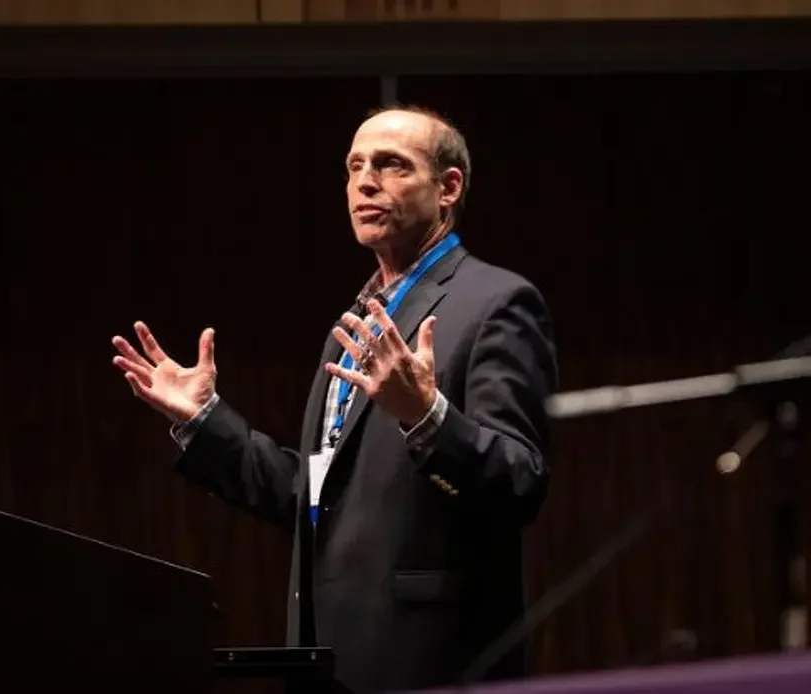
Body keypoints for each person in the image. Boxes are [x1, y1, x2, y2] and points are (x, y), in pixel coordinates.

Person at [111, 106, 558, 693]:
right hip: (326, 665)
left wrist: (427, 419)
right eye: (354, 167)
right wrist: (205, 421)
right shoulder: (354, 324)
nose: (365, 181)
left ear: (448, 188)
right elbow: (314, 497)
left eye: (391, 165)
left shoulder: (496, 303)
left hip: (432, 664)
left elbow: (520, 481)